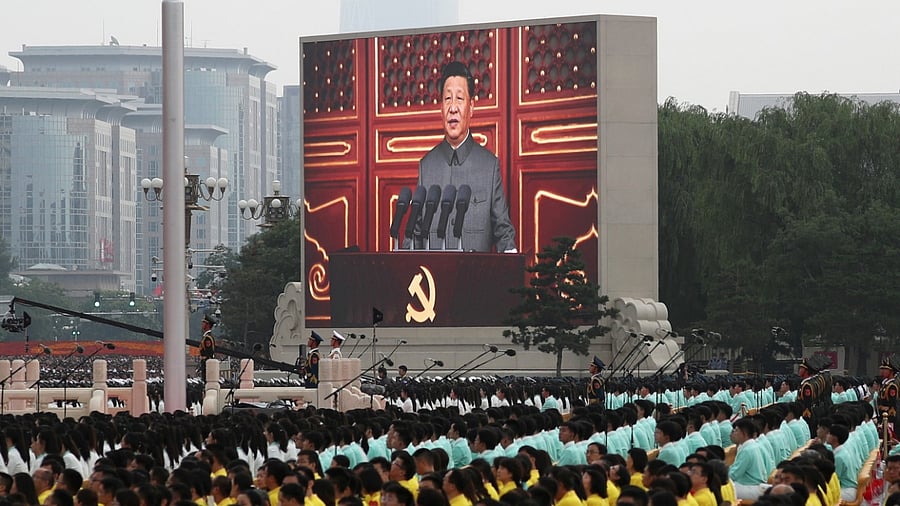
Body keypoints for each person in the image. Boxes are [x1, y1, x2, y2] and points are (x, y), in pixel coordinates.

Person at [417, 61, 516, 253]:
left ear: (471, 107)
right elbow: (415, 235)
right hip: (434, 281)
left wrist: (511, 263)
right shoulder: (426, 166)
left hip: (476, 280)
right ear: (441, 107)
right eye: (447, 99)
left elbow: (504, 232)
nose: (453, 107)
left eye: (459, 99)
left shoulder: (489, 166)